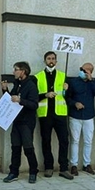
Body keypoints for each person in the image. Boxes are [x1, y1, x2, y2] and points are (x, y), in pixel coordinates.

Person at [35, 51, 72, 179]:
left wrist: (67, 90)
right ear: (44, 60)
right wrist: (45, 94)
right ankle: (48, 167)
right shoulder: (37, 76)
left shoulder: (63, 75)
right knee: (46, 141)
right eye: (49, 58)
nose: (51, 60)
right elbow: (33, 96)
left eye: (53, 58)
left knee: (64, 140)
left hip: (60, 113)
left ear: (56, 61)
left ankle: (63, 168)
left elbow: (68, 96)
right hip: (45, 114)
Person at [2, 61, 40, 183]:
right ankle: (14, 172)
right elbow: (11, 100)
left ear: (23, 71)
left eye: (16, 69)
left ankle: (33, 171)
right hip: (16, 120)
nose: (14, 72)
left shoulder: (31, 86)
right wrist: (5, 90)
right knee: (15, 147)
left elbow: (34, 104)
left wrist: (21, 100)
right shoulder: (17, 84)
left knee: (28, 148)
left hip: (27, 122)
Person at [67, 62, 95, 175]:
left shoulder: (93, 83)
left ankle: (87, 164)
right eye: (81, 69)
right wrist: (75, 103)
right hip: (75, 115)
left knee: (88, 141)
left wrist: (91, 80)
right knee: (75, 140)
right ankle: (74, 165)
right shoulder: (74, 82)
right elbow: (67, 97)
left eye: (85, 70)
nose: (82, 71)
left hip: (88, 115)